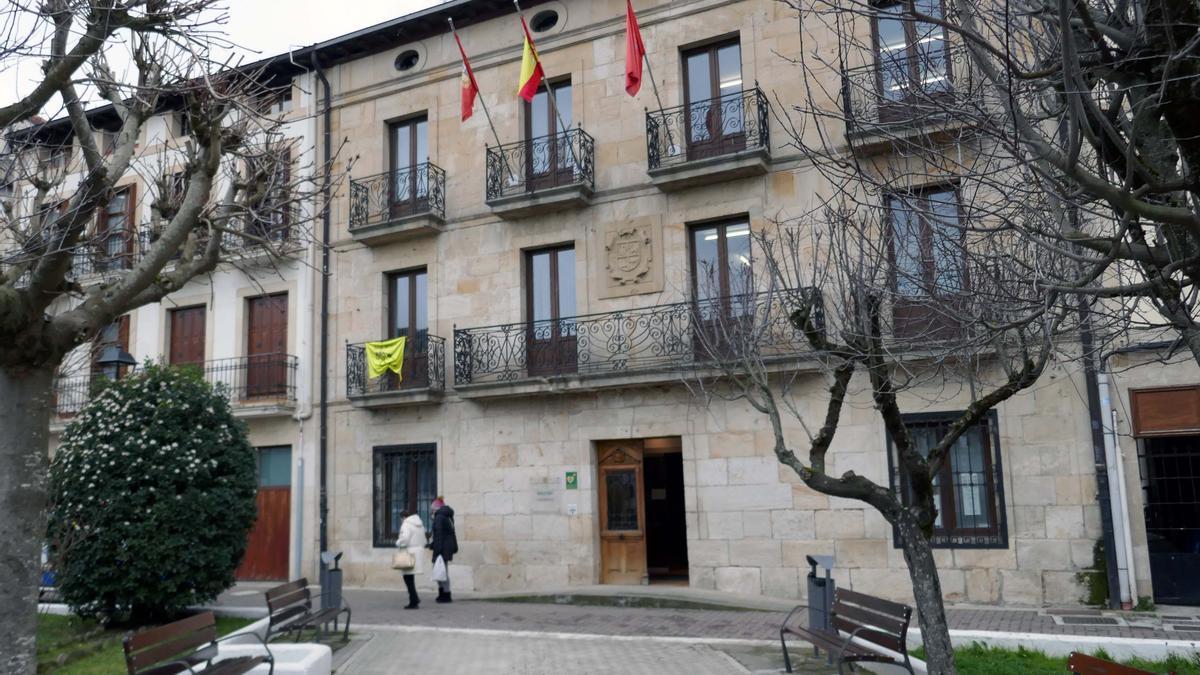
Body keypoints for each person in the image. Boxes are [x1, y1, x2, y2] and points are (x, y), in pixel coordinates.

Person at [427, 496, 458, 603]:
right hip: (446, 547)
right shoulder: (446, 515)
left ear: (436, 508)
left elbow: (439, 535)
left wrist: (437, 550)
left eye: (432, 509)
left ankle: (446, 595)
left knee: (441, 571)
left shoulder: (439, 517)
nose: (431, 511)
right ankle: (443, 594)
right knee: (442, 571)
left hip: (442, 548)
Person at [395, 509, 426, 609]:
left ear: (403, 517)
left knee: (408, 578)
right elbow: (424, 539)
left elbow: (404, 539)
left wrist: (398, 543)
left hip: (408, 553)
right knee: (410, 578)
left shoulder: (406, 524)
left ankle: (414, 600)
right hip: (417, 553)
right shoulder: (419, 525)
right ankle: (414, 598)